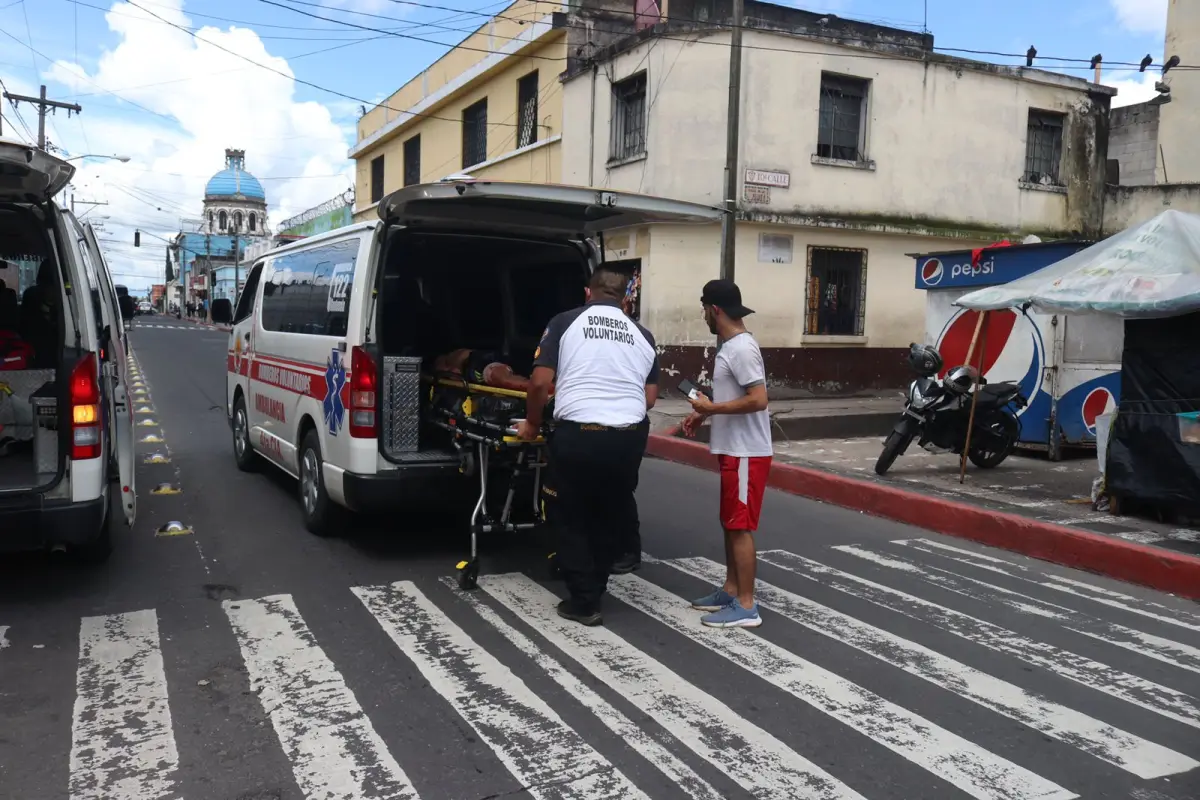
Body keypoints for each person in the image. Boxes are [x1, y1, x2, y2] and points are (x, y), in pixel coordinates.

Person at [517, 265, 659, 625]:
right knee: (608, 512)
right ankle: (596, 586)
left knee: (569, 514)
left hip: (579, 434)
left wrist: (533, 423)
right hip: (629, 435)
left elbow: (538, 383)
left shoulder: (565, 322)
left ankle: (584, 601)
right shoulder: (643, 334)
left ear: (587, 293)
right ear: (626, 298)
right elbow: (651, 397)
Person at [681, 279, 772, 629]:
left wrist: (712, 407)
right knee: (730, 523)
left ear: (714, 309)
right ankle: (731, 589)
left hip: (746, 452)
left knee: (740, 527)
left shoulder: (741, 348)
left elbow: (758, 399)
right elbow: (737, 397)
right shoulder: (731, 347)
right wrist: (704, 411)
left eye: (704, 309)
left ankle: (746, 605)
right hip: (734, 450)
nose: (704, 315)